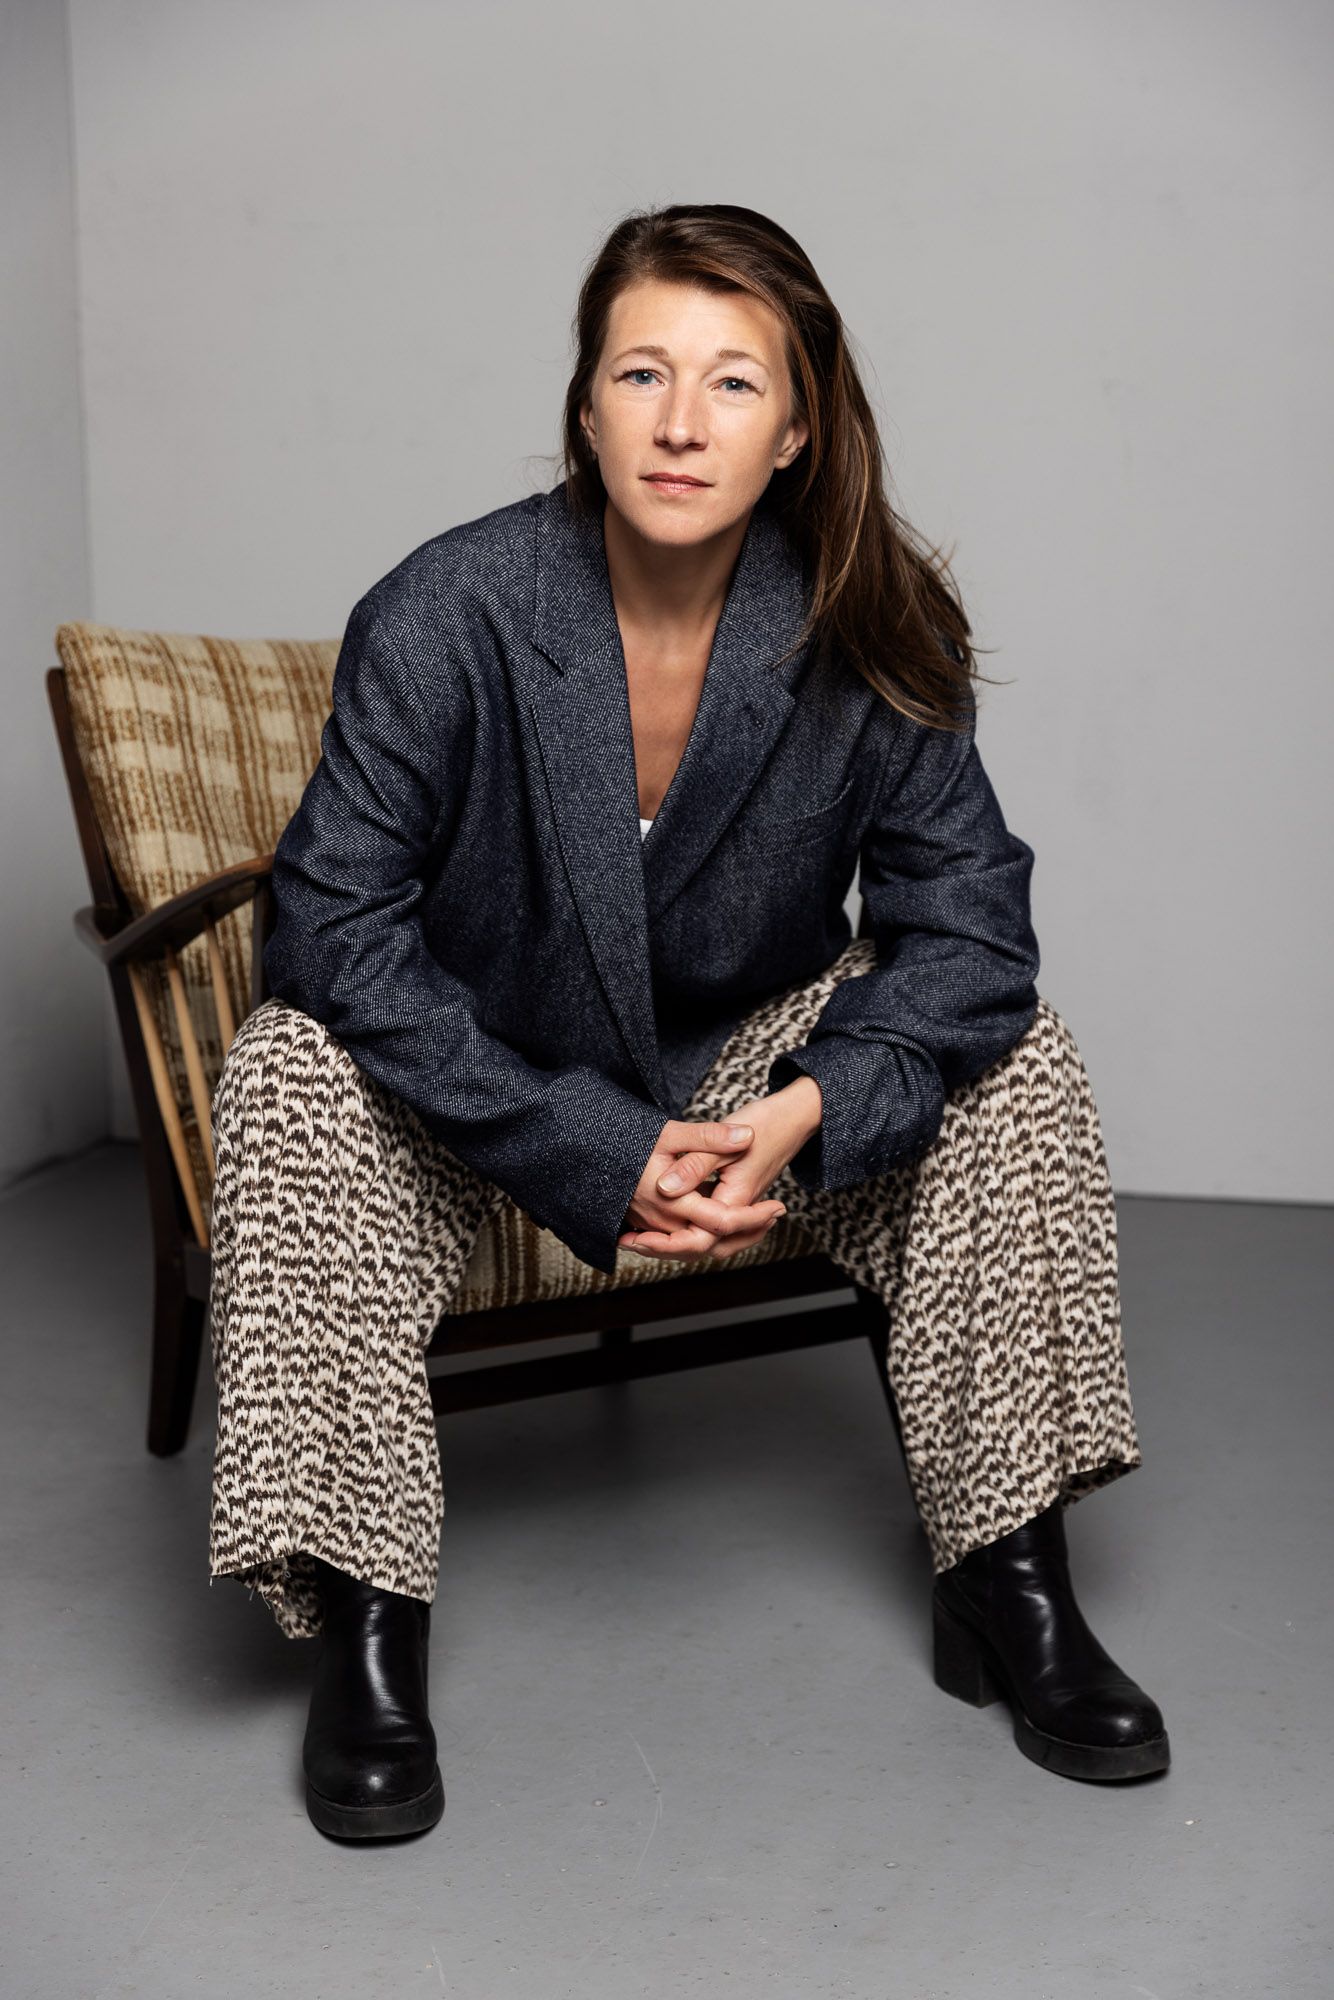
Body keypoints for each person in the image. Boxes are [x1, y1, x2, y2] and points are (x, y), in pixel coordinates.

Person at [207, 202, 1169, 1841]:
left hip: (740, 1063)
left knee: (1016, 1056)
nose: (678, 421)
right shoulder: (448, 609)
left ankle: (1008, 1572)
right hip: (480, 1074)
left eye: (732, 382)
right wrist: (582, 1138)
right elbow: (332, 927)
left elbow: (969, 929)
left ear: (794, 430)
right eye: (639, 372)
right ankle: (367, 1625)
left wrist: (808, 1104)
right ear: (584, 406)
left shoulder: (876, 622)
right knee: (290, 1067)